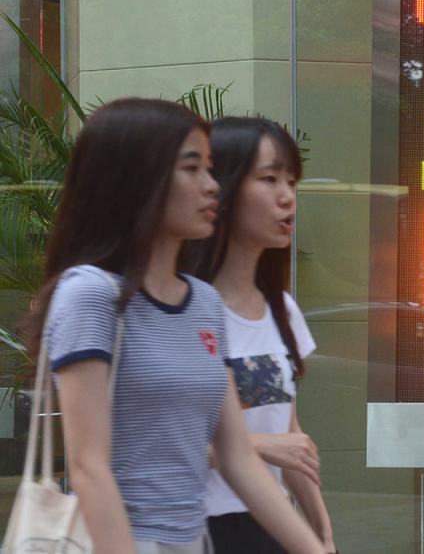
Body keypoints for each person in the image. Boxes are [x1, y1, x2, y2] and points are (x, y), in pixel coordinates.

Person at [23, 99, 326, 554]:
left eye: (211, 169)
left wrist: (316, 547)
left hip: (194, 540)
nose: (212, 187)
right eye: (192, 169)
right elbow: (88, 467)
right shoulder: (90, 294)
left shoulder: (202, 303)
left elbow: (238, 458)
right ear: (139, 177)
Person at [193, 117, 336, 554]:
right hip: (199, 526)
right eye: (269, 179)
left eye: (292, 181)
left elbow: (291, 436)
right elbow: (157, 443)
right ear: (221, 187)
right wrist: (260, 446)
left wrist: (322, 532)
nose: (287, 197)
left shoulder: (282, 311)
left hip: (270, 522)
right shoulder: (185, 312)